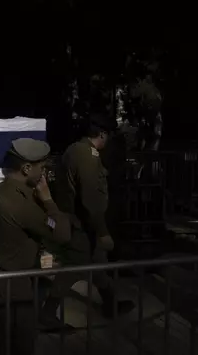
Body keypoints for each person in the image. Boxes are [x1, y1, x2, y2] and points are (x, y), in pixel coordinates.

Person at [0, 138, 72, 355]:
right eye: (41, 167)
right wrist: (48, 200)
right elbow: (61, 232)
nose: (44, 172)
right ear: (26, 168)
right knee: (20, 344)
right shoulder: (20, 203)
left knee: (3, 342)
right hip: (17, 287)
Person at [43, 114, 135, 324]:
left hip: (79, 223)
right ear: (102, 134)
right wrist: (103, 233)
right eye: (108, 135)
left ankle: (110, 304)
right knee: (73, 267)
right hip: (81, 225)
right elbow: (91, 200)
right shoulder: (87, 156)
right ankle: (47, 313)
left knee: (97, 264)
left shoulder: (75, 150)